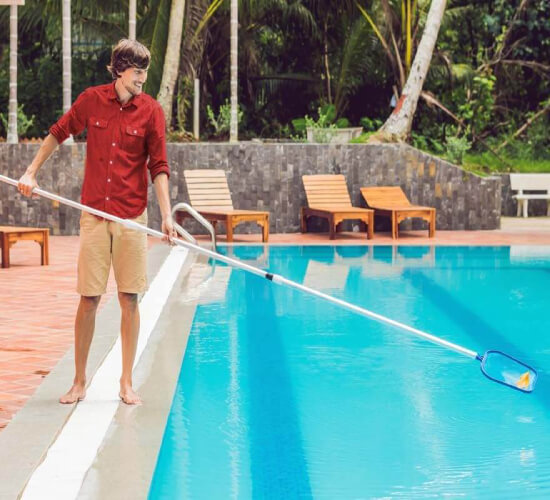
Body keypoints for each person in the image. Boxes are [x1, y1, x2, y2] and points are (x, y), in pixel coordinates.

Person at [18, 39, 176, 405]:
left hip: (131, 218)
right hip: (94, 215)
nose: (143, 80)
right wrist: (30, 172)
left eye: (146, 73)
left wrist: (166, 216)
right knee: (88, 299)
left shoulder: (151, 111)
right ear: (121, 70)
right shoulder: (91, 100)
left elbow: (159, 166)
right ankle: (78, 382)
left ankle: (125, 382)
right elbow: (58, 132)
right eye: (138, 73)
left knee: (129, 299)